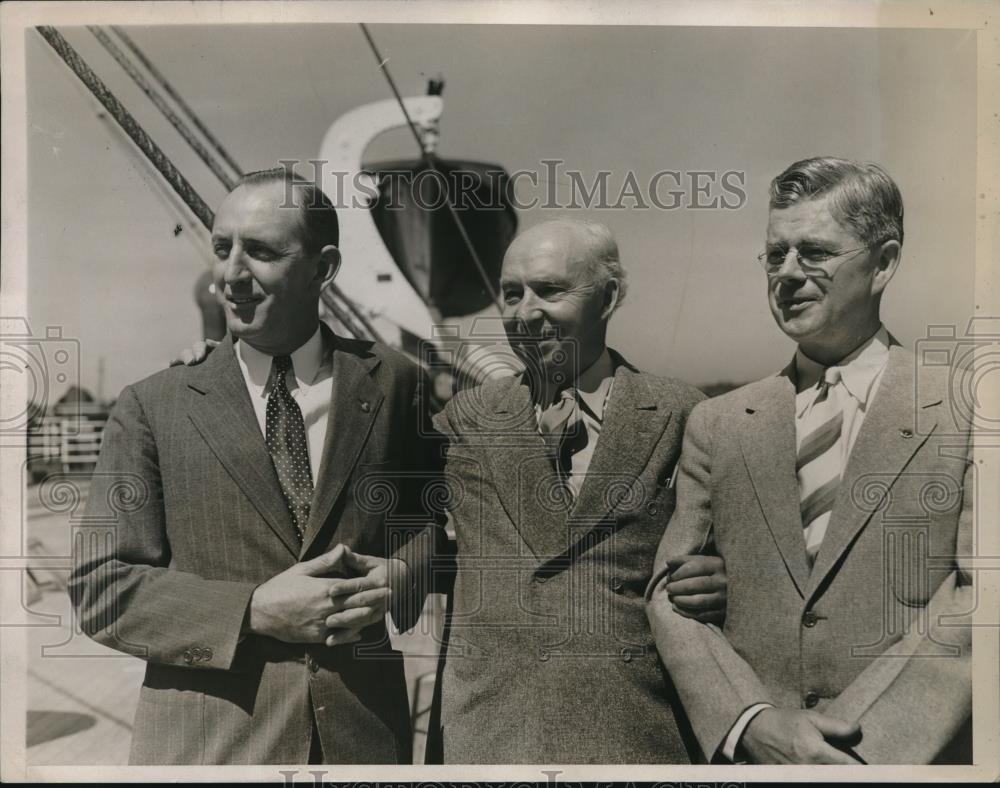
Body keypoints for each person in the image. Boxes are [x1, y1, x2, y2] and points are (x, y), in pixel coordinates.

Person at [69, 169, 447, 765]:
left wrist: (399, 575)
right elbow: (101, 589)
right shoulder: (153, 404)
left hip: (363, 742)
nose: (231, 275)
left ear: (324, 269)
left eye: (263, 252)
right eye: (223, 249)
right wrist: (249, 612)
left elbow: (436, 527)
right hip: (210, 750)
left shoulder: (398, 384)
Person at [645, 157, 973, 765]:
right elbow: (671, 593)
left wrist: (857, 746)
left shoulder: (967, 412)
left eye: (814, 252)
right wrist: (751, 721)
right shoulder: (717, 423)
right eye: (775, 255)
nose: (788, 274)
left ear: (884, 263)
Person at [428, 218, 725, 763]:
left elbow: (736, 548)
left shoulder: (686, 414)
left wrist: (726, 579)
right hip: (492, 736)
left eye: (550, 290)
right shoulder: (461, 420)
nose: (525, 312)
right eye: (512, 293)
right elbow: (408, 537)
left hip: (640, 732)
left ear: (608, 297)